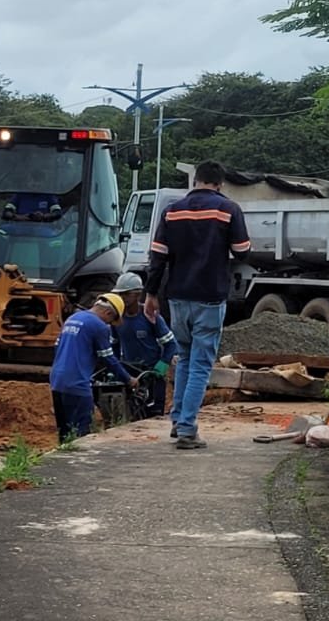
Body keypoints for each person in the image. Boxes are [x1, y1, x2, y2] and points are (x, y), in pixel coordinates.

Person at [144, 160, 251, 450]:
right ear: (220, 183)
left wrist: (150, 295)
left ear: (196, 181)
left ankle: (178, 420)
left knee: (185, 358)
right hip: (210, 296)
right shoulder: (228, 209)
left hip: (177, 296)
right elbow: (242, 251)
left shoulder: (171, 211)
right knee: (201, 365)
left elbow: (157, 258)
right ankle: (188, 429)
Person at [49, 293, 133, 443]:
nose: (110, 324)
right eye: (111, 320)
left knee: (64, 433)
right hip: (77, 384)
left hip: (57, 381)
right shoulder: (99, 326)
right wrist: (128, 379)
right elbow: (108, 359)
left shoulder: (72, 319)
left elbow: (58, 348)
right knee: (82, 435)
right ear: (108, 313)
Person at [111, 272, 179, 417]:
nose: (122, 298)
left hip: (151, 373)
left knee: (153, 414)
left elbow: (171, 344)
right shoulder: (117, 319)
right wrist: (116, 369)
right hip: (130, 373)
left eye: (125, 294)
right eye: (120, 295)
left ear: (137, 294)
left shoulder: (149, 316)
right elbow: (114, 346)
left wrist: (162, 366)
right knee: (132, 414)